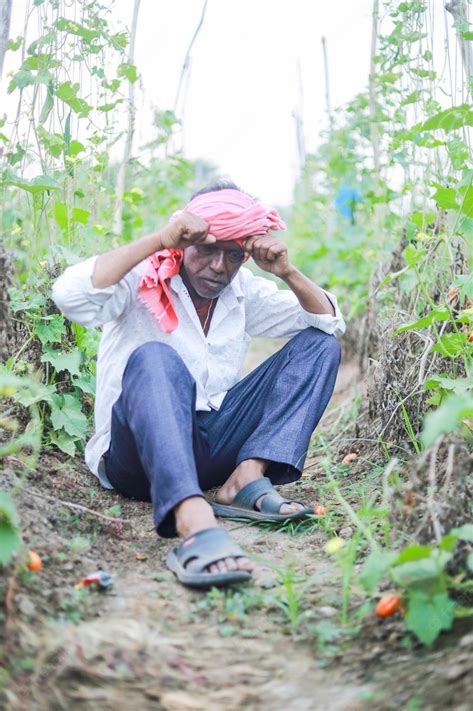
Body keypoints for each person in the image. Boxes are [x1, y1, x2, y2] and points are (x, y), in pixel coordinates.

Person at [52, 181, 345, 588]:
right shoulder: (144, 276)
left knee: (320, 346)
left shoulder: (243, 292)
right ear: (183, 244)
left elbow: (328, 321)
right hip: (136, 458)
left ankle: (244, 478)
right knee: (155, 358)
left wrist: (287, 271)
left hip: (208, 446)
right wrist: (157, 239)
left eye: (233, 255)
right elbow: (70, 296)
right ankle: (193, 520)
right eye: (207, 249)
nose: (219, 267)